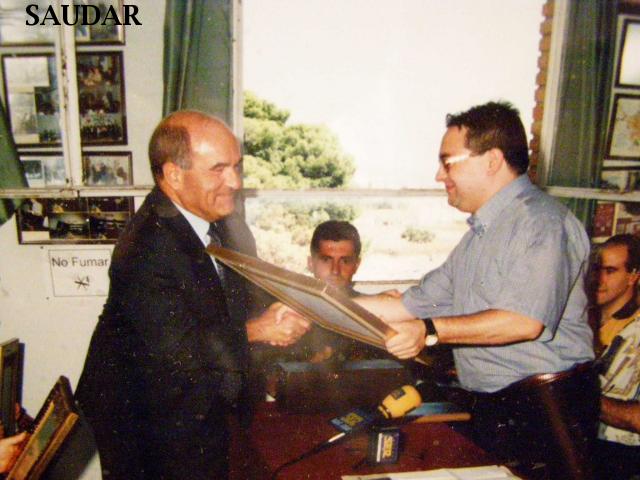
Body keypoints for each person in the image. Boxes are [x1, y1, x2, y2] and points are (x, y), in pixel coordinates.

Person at [356, 101, 597, 478]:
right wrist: (315, 305)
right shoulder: (478, 239)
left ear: (492, 160)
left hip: (546, 413)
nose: (439, 175)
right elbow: (408, 305)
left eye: (448, 161)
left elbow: (523, 322)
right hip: (497, 408)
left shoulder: (542, 223)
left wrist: (431, 331)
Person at [75, 110, 310, 479]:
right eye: (218, 169)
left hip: (203, 401)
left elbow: (250, 297)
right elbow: (177, 351)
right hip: (144, 417)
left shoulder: (229, 225)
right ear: (173, 175)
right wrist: (261, 330)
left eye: (236, 166)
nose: (233, 181)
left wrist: (295, 308)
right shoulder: (143, 247)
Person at [591, 234, 640, 479]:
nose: (599, 279)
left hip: (622, 457)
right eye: (596, 269)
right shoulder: (581, 320)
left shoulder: (637, 330)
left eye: (610, 271)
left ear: (633, 276)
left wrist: (580, 397)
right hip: (580, 442)